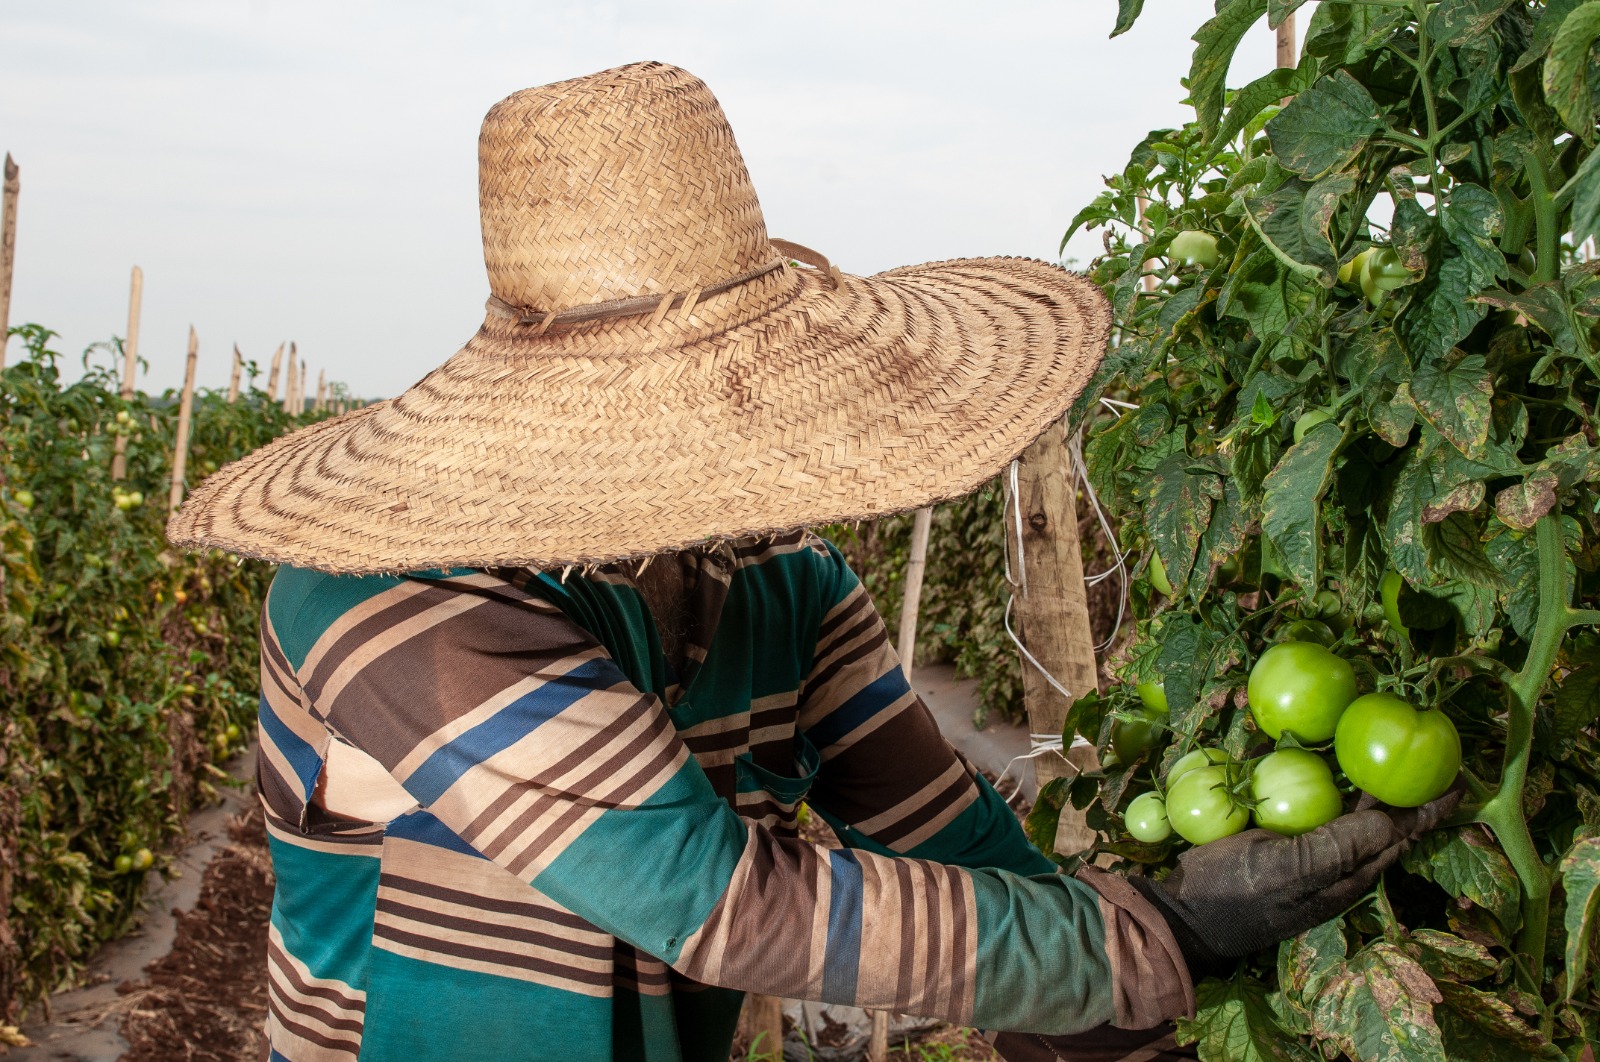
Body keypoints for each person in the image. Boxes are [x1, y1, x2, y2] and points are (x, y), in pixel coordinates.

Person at [169, 62, 1458, 1062]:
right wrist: (1163, 933)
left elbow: (946, 840)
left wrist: (1119, 1004)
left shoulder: (781, 581)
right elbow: (711, 897)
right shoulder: (385, 594)